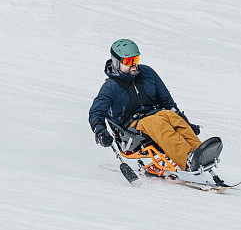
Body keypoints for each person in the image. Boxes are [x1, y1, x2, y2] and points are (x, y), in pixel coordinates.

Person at [89, 39, 219, 172]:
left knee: (171, 115)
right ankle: (187, 160)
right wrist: (100, 131)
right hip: (130, 132)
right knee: (157, 122)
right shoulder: (110, 87)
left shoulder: (147, 73)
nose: (134, 65)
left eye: (136, 59)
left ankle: (200, 154)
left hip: (156, 116)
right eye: (128, 62)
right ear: (117, 62)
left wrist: (186, 123)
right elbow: (96, 112)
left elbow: (167, 102)